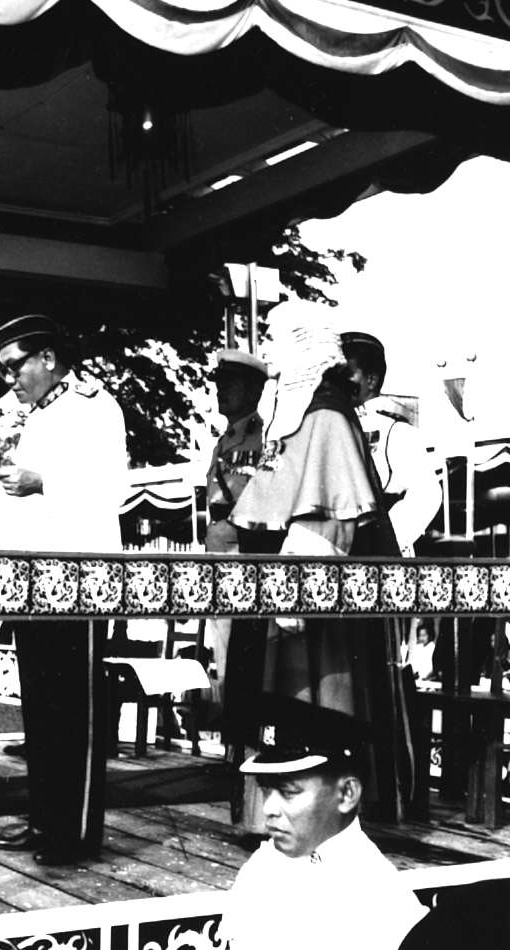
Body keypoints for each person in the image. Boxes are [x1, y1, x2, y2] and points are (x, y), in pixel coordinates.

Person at [227, 300, 413, 823]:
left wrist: (295, 596)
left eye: (275, 338)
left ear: (303, 344)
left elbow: (329, 514)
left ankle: (314, 818)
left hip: (308, 607)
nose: (267, 351)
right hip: (283, 591)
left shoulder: (326, 413)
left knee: (311, 703)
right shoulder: (302, 412)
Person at [0, 312, 127, 866]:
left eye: (14, 366)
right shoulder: (40, 416)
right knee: (42, 709)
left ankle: (77, 831)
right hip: (37, 577)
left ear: (47, 357)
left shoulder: (96, 406)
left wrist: (42, 481)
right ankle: (45, 818)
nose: (10, 379)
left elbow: (113, 488)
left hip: (82, 578)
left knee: (76, 711)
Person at [221, 696, 427, 950]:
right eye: (266, 790)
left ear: (347, 794)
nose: (268, 809)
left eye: (289, 792)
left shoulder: (378, 899)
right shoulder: (263, 866)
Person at [204, 349, 268, 716]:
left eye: (231, 384)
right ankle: (232, 733)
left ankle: (242, 733)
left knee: (244, 656)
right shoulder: (222, 441)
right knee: (223, 651)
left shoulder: (264, 438)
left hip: (243, 558)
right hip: (220, 556)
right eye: (220, 383)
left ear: (255, 390)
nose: (221, 390)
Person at [341, 331, 441, 556]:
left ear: (371, 380)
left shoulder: (396, 432)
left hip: (380, 555)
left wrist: (385, 539)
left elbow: (426, 493)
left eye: (347, 373)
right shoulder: (332, 424)